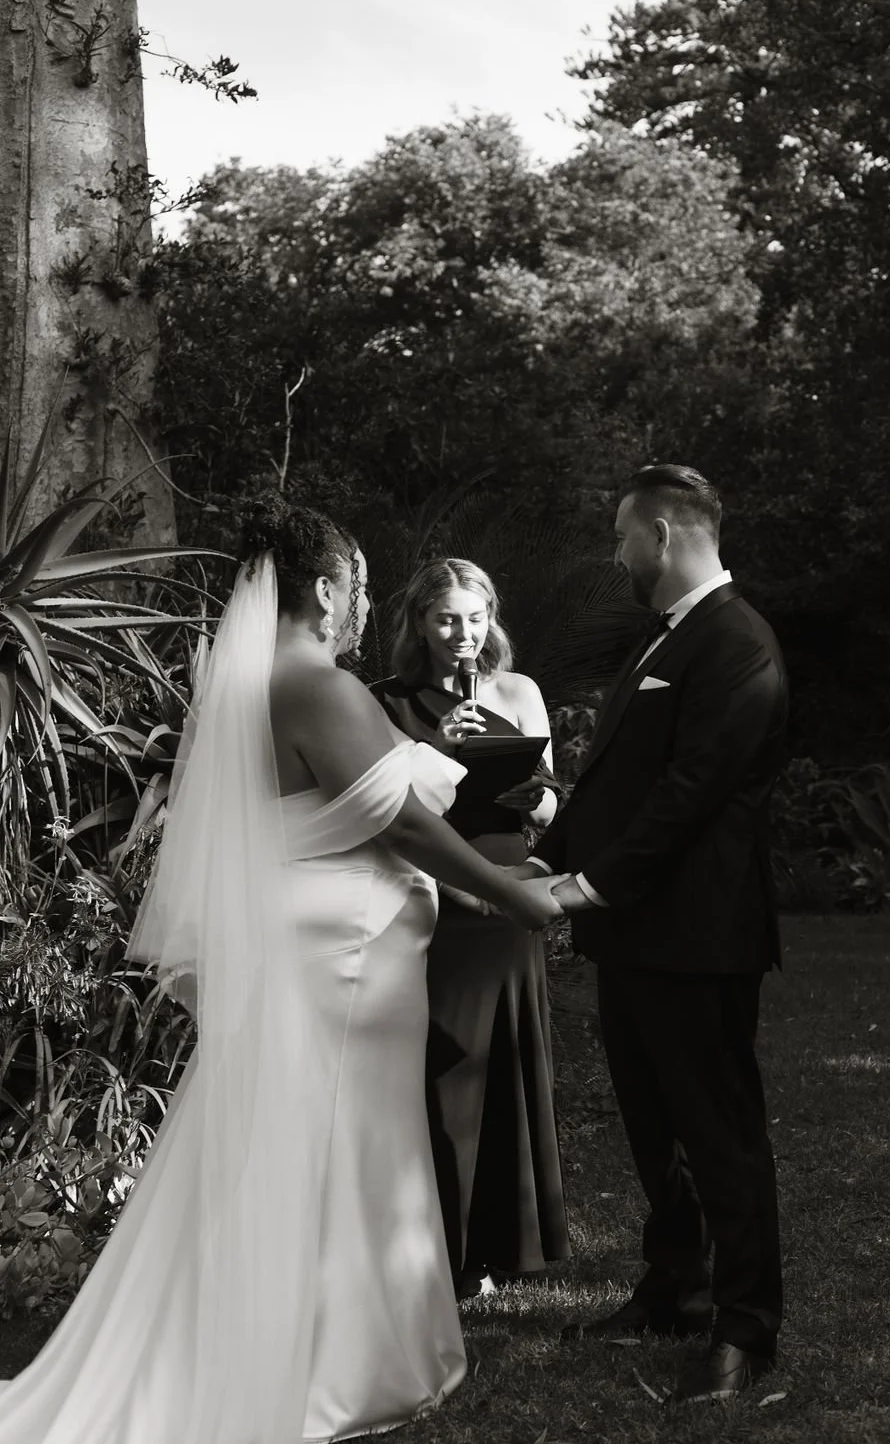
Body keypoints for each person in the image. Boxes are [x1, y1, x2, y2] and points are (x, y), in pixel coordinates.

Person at [0, 499, 561, 1444]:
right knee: (331, 1149)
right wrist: (509, 893)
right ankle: (326, 1366)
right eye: (364, 588)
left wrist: (470, 894)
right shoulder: (318, 684)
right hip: (343, 969)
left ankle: (328, 1341)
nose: (365, 605)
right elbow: (402, 822)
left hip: (332, 952)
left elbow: (338, 823)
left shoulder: (254, 683)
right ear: (329, 589)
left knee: (313, 1146)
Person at [517, 464, 788, 1404]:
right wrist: (547, 844)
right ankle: (677, 1287)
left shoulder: (737, 642)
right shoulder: (666, 637)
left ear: (665, 534)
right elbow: (621, 784)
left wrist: (585, 887)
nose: (618, 555)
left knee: (720, 1135)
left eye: (624, 538)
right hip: (635, 935)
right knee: (653, 1130)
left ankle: (746, 1328)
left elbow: (690, 796)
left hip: (700, 938)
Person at [372, 558, 571, 1296]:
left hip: (510, 891)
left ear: (493, 620)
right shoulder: (385, 703)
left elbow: (553, 804)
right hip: (437, 896)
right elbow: (391, 815)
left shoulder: (520, 692)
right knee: (442, 1072)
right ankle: (440, 1252)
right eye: (447, 618)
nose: (463, 633)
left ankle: (506, 1243)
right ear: (419, 623)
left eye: (476, 617)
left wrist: (537, 802)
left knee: (509, 1065)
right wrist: (444, 752)